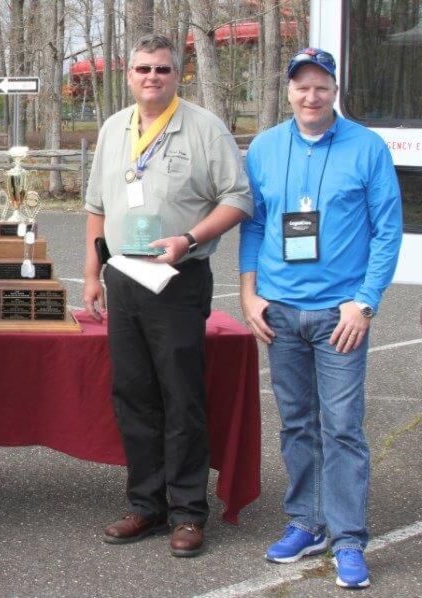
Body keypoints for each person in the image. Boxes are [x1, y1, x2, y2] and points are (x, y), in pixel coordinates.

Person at [82, 34, 252, 557]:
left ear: (178, 75)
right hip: (124, 279)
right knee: (133, 396)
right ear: (129, 76)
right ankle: (146, 505)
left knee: (181, 397)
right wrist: (91, 276)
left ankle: (187, 513)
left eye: (161, 69)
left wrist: (190, 240)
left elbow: (239, 199)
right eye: (142, 69)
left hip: (178, 278)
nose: (151, 77)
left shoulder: (204, 128)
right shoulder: (114, 128)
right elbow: (96, 208)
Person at [239, 48, 402, 589]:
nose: (311, 96)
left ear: (335, 90)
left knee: (343, 428)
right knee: (298, 424)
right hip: (280, 311)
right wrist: (248, 292)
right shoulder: (264, 148)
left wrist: (365, 300)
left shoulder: (367, 148)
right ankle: (307, 521)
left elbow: (387, 231)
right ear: (288, 90)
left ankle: (350, 537)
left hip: (340, 316)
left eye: (321, 87)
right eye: (302, 86)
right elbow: (256, 226)